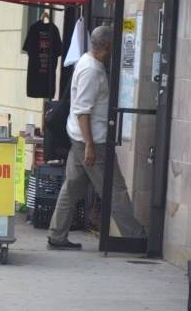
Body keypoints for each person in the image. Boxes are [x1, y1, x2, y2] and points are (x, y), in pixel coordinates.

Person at [47, 26, 145, 250]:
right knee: (114, 190)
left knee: (71, 187)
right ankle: (135, 238)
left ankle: (57, 234)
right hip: (92, 142)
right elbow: (83, 111)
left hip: (78, 138)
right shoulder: (92, 71)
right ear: (108, 46)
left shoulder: (86, 61)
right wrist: (90, 145)